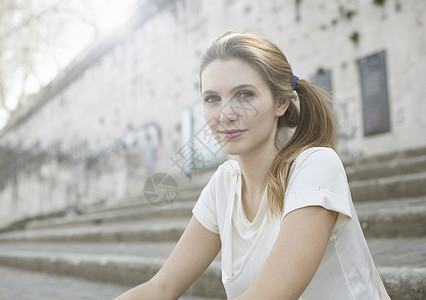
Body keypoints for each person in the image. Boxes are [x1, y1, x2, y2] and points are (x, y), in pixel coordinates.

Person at [114, 31, 391, 300]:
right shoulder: (223, 185)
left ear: (280, 102)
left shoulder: (316, 166)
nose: (225, 115)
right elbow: (161, 288)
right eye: (212, 98)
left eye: (244, 94)